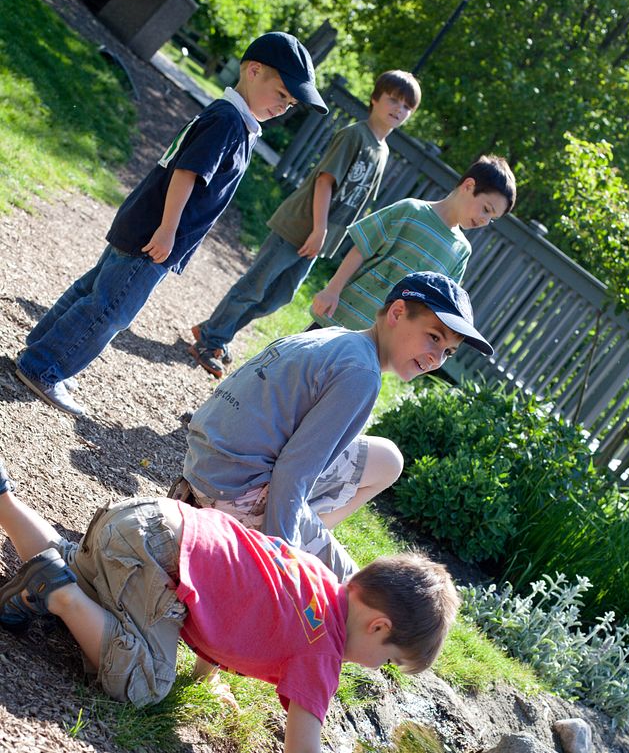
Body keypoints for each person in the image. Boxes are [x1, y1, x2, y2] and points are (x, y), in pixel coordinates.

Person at [0, 459, 460, 753]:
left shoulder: (318, 578)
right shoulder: (323, 650)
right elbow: (304, 752)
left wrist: (205, 677)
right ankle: (61, 596)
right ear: (379, 628)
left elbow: (236, 589)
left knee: (69, 561)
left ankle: (6, 500)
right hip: (152, 555)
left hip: (146, 521)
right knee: (145, 685)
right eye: (391, 662)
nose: (380, 669)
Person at [14, 32, 328, 418]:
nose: (284, 107)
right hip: (155, 236)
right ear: (254, 70)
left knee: (93, 290)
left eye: (291, 102)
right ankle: (44, 367)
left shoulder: (233, 120)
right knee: (110, 308)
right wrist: (167, 229)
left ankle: (41, 349)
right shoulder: (228, 122)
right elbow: (186, 173)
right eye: (281, 94)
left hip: (145, 225)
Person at [179, 271, 495, 582]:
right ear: (397, 313)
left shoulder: (341, 339)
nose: (437, 358)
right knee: (353, 593)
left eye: (448, 352)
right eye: (434, 337)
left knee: (387, 459)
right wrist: (278, 555)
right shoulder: (361, 374)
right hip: (232, 490)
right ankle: (284, 541)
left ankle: (308, 532)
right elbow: (294, 468)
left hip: (206, 464)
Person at [188, 69, 421, 378]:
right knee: (254, 287)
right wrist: (319, 228)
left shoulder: (383, 151)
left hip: (318, 240)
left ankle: (216, 331)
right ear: (375, 99)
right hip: (301, 226)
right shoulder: (355, 135)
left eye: (407, 106)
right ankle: (210, 340)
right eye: (393, 100)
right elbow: (325, 182)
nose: (399, 109)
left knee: (277, 297)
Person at [310, 154, 516, 331]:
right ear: (469, 186)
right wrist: (332, 290)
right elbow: (361, 249)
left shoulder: (461, 251)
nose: (485, 220)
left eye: (492, 218)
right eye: (486, 209)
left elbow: (432, 307)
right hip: (337, 317)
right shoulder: (410, 210)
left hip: (378, 342)